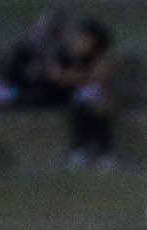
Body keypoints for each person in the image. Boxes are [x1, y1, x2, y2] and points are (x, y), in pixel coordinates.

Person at [58, 18, 115, 168]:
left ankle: (103, 152)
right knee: (83, 107)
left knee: (97, 109)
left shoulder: (101, 58)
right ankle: (80, 149)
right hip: (74, 97)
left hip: (97, 96)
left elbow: (97, 76)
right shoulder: (71, 56)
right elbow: (59, 76)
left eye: (85, 38)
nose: (81, 41)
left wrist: (74, 77)